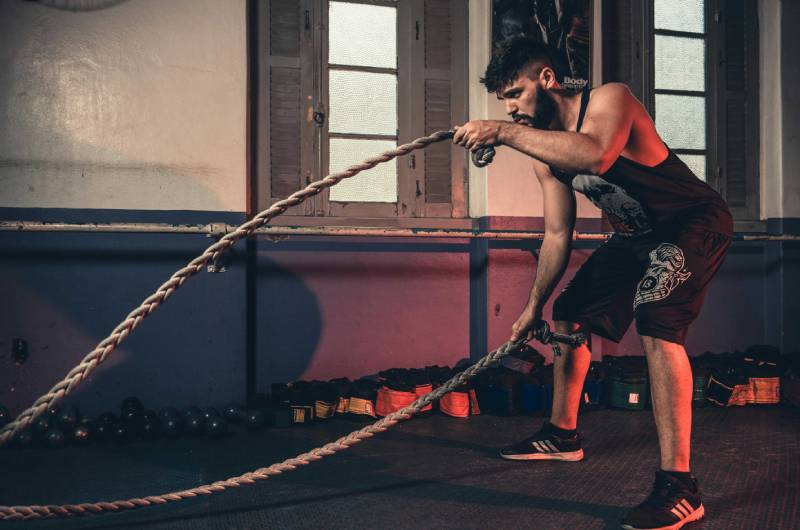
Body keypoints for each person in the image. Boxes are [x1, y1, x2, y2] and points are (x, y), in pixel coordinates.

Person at [453, 35, 732, 530]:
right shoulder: (544, 153)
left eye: (515, 94)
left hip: (692, 223)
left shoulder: (609, 99)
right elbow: (557, 235)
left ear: (546, 78)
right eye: (503, 102)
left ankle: (680, 487)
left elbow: (597, 155)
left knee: (656, 318)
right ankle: (562, 435)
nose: (510, 109)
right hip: (634, 235)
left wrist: (500, 132)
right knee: (570, 311)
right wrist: (532, 308)